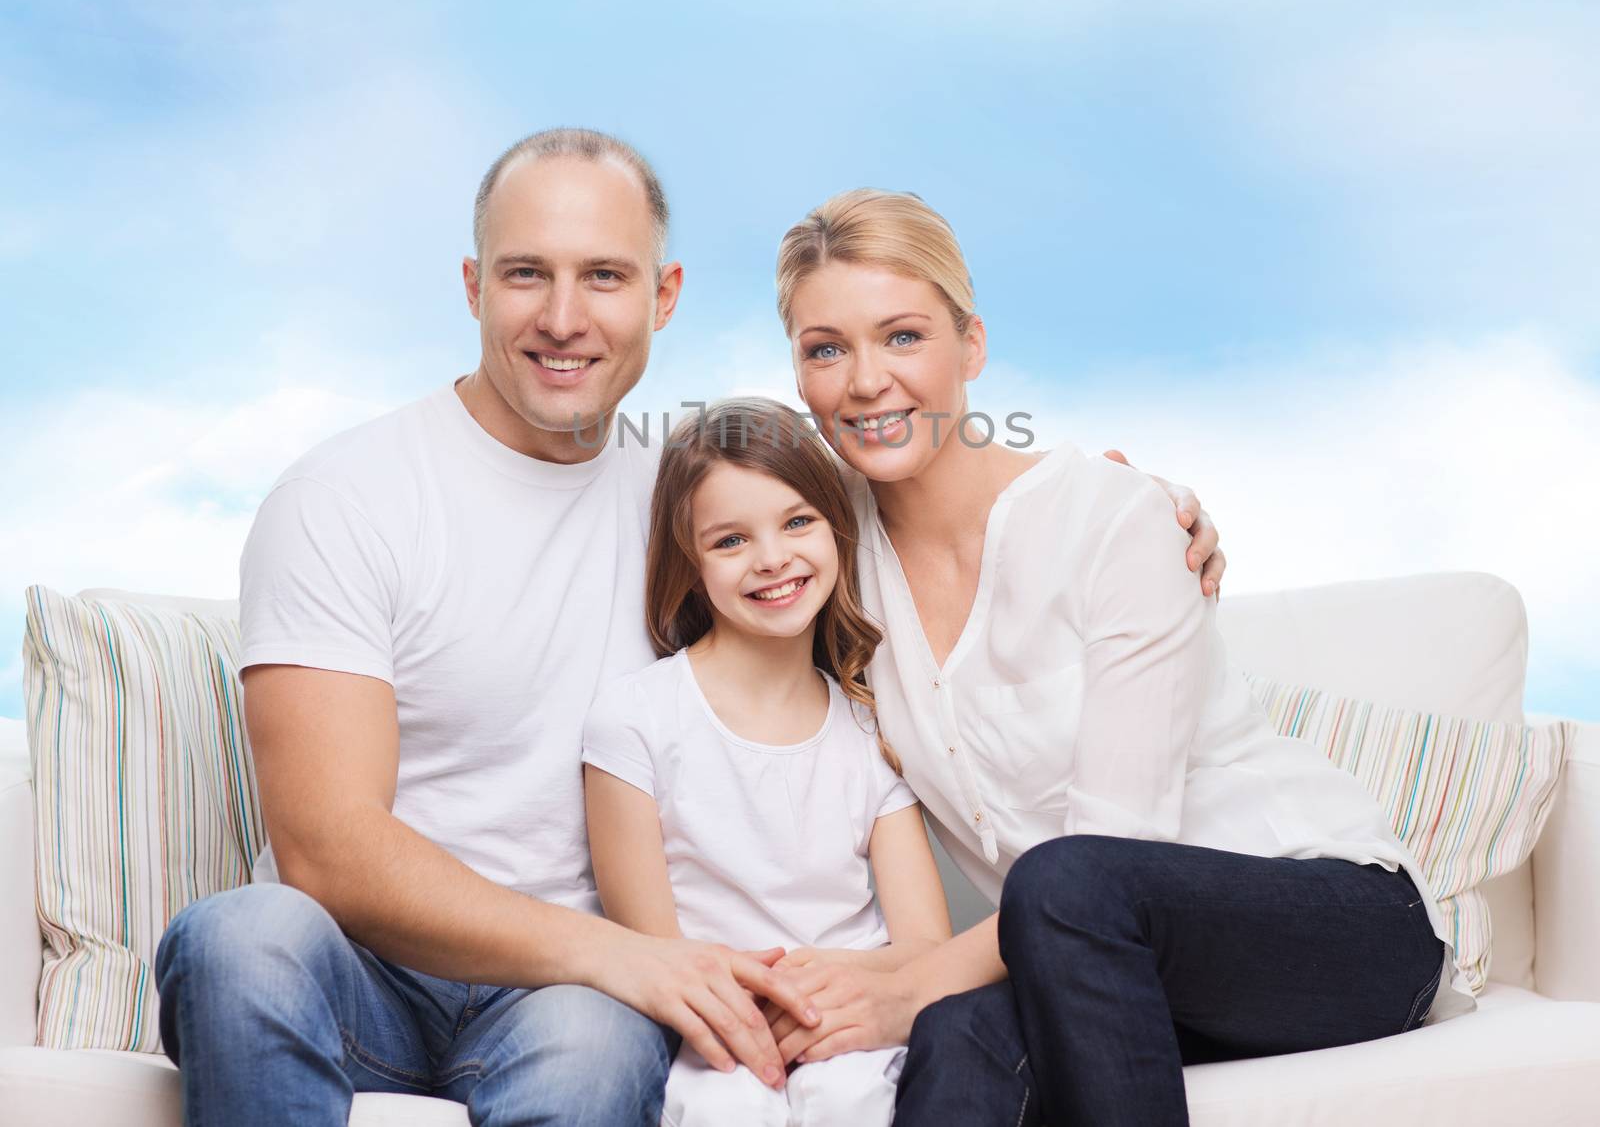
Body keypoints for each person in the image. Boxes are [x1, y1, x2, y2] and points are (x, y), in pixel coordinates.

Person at [149, 128, 1221, 1126]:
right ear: (474, 287)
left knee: (584, 1051)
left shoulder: (693, 501)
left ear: (662, 297)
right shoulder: (347, 495)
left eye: (604, 276)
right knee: (241, 936)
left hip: (577, 996)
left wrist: (1133, 506)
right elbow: (326, 848)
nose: (564, 318)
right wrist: (631, 959)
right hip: (384, 967)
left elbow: (881, 495)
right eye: (527, 273)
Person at [751, 188, 1477, 1127]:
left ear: (969, 347)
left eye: (902, 337)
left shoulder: (1111, 521)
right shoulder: (823, 561)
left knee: (1063, 878)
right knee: (953, 1041)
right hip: (1097, 961)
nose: (864, 381)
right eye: (825, 349)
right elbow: (693, 523)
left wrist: (911, 981)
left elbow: (1112, 848)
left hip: (1334, 927)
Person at [583, 398, 952, 1126]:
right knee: (725, 1108)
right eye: (730, 541)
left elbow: (925, 948)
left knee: (851, 1098)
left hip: (852, 1021)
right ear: (690, 567)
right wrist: (757, 1003)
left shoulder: (871, 723)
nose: (773, 558)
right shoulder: (635, 718)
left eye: (797, 521)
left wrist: (826, 996)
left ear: (836, 530)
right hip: (707, 1027)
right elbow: (652, 951)